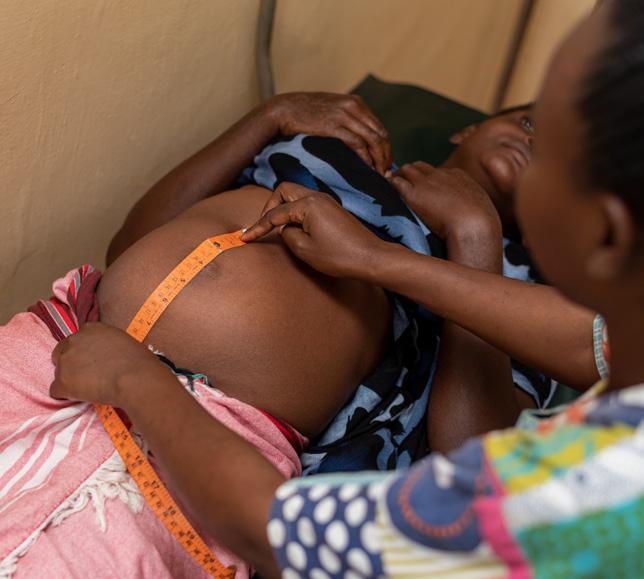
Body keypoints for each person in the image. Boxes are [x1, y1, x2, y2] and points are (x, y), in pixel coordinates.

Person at [49, 0, 644, 576]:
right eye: (531, 123)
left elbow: (283, 533)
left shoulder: (587, 485)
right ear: (468, 128)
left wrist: (469, 235)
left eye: (560, 155)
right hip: (76, 352)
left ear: (603, 235)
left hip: (206, 445)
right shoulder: (333, 151)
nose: (534, 145)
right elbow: (593, 339)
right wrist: (270, 118)